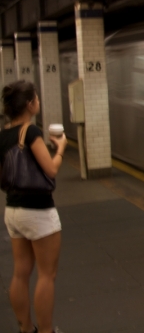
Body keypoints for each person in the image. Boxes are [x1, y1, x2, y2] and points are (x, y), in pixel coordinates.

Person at [1, 80, 67, 333]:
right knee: (46, 275)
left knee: (20, 274)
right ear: (30, 104)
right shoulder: (30, 132)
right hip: (39, 211)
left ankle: (26, 329)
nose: (38, 101)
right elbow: (50, 170)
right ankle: (47, 331)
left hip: (13, 211)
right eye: (36, 98)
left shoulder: (3, 136)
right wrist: (60, 149)